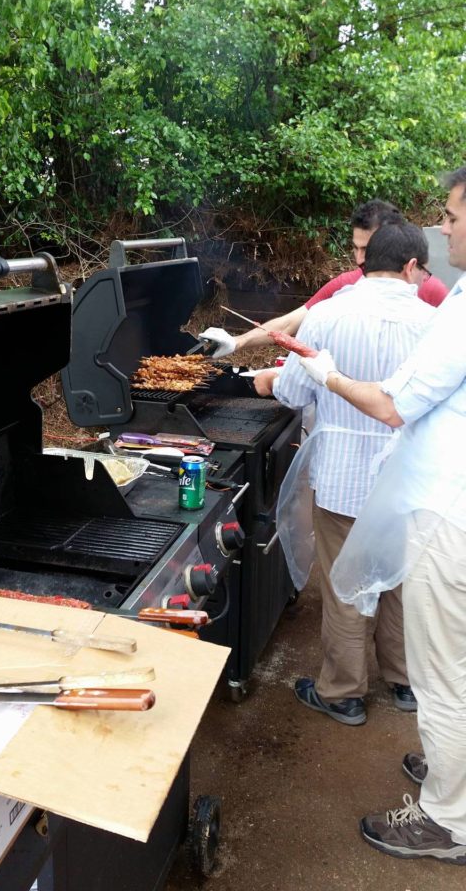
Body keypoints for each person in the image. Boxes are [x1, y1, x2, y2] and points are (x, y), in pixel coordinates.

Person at [297, 167, 466, 863]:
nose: (448, 226)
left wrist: (321, 375)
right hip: (419, 496)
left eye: (455, 214)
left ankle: (447, 818)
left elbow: (396, 402)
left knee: (438, 668)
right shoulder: (436, 308)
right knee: (419, 633)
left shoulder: (341, 314)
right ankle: (439, 753)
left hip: (433, 506)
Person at [254, 222, 434, 726]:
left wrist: (269, 381)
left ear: (365, 261)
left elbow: (292, 392)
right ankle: (403, 683)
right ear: (410, 266)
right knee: (399, 581)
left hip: (341, 476)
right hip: (408, 478)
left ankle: (344, 693)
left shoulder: (328, 316)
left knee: (345, 583)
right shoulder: (432, 322)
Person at [199, 200, 448, 356]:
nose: (360, 258)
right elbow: (289, 324)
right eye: (355, 247)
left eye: (368, 248)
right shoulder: (345, 286)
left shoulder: (432, 292)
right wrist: (236, 342)